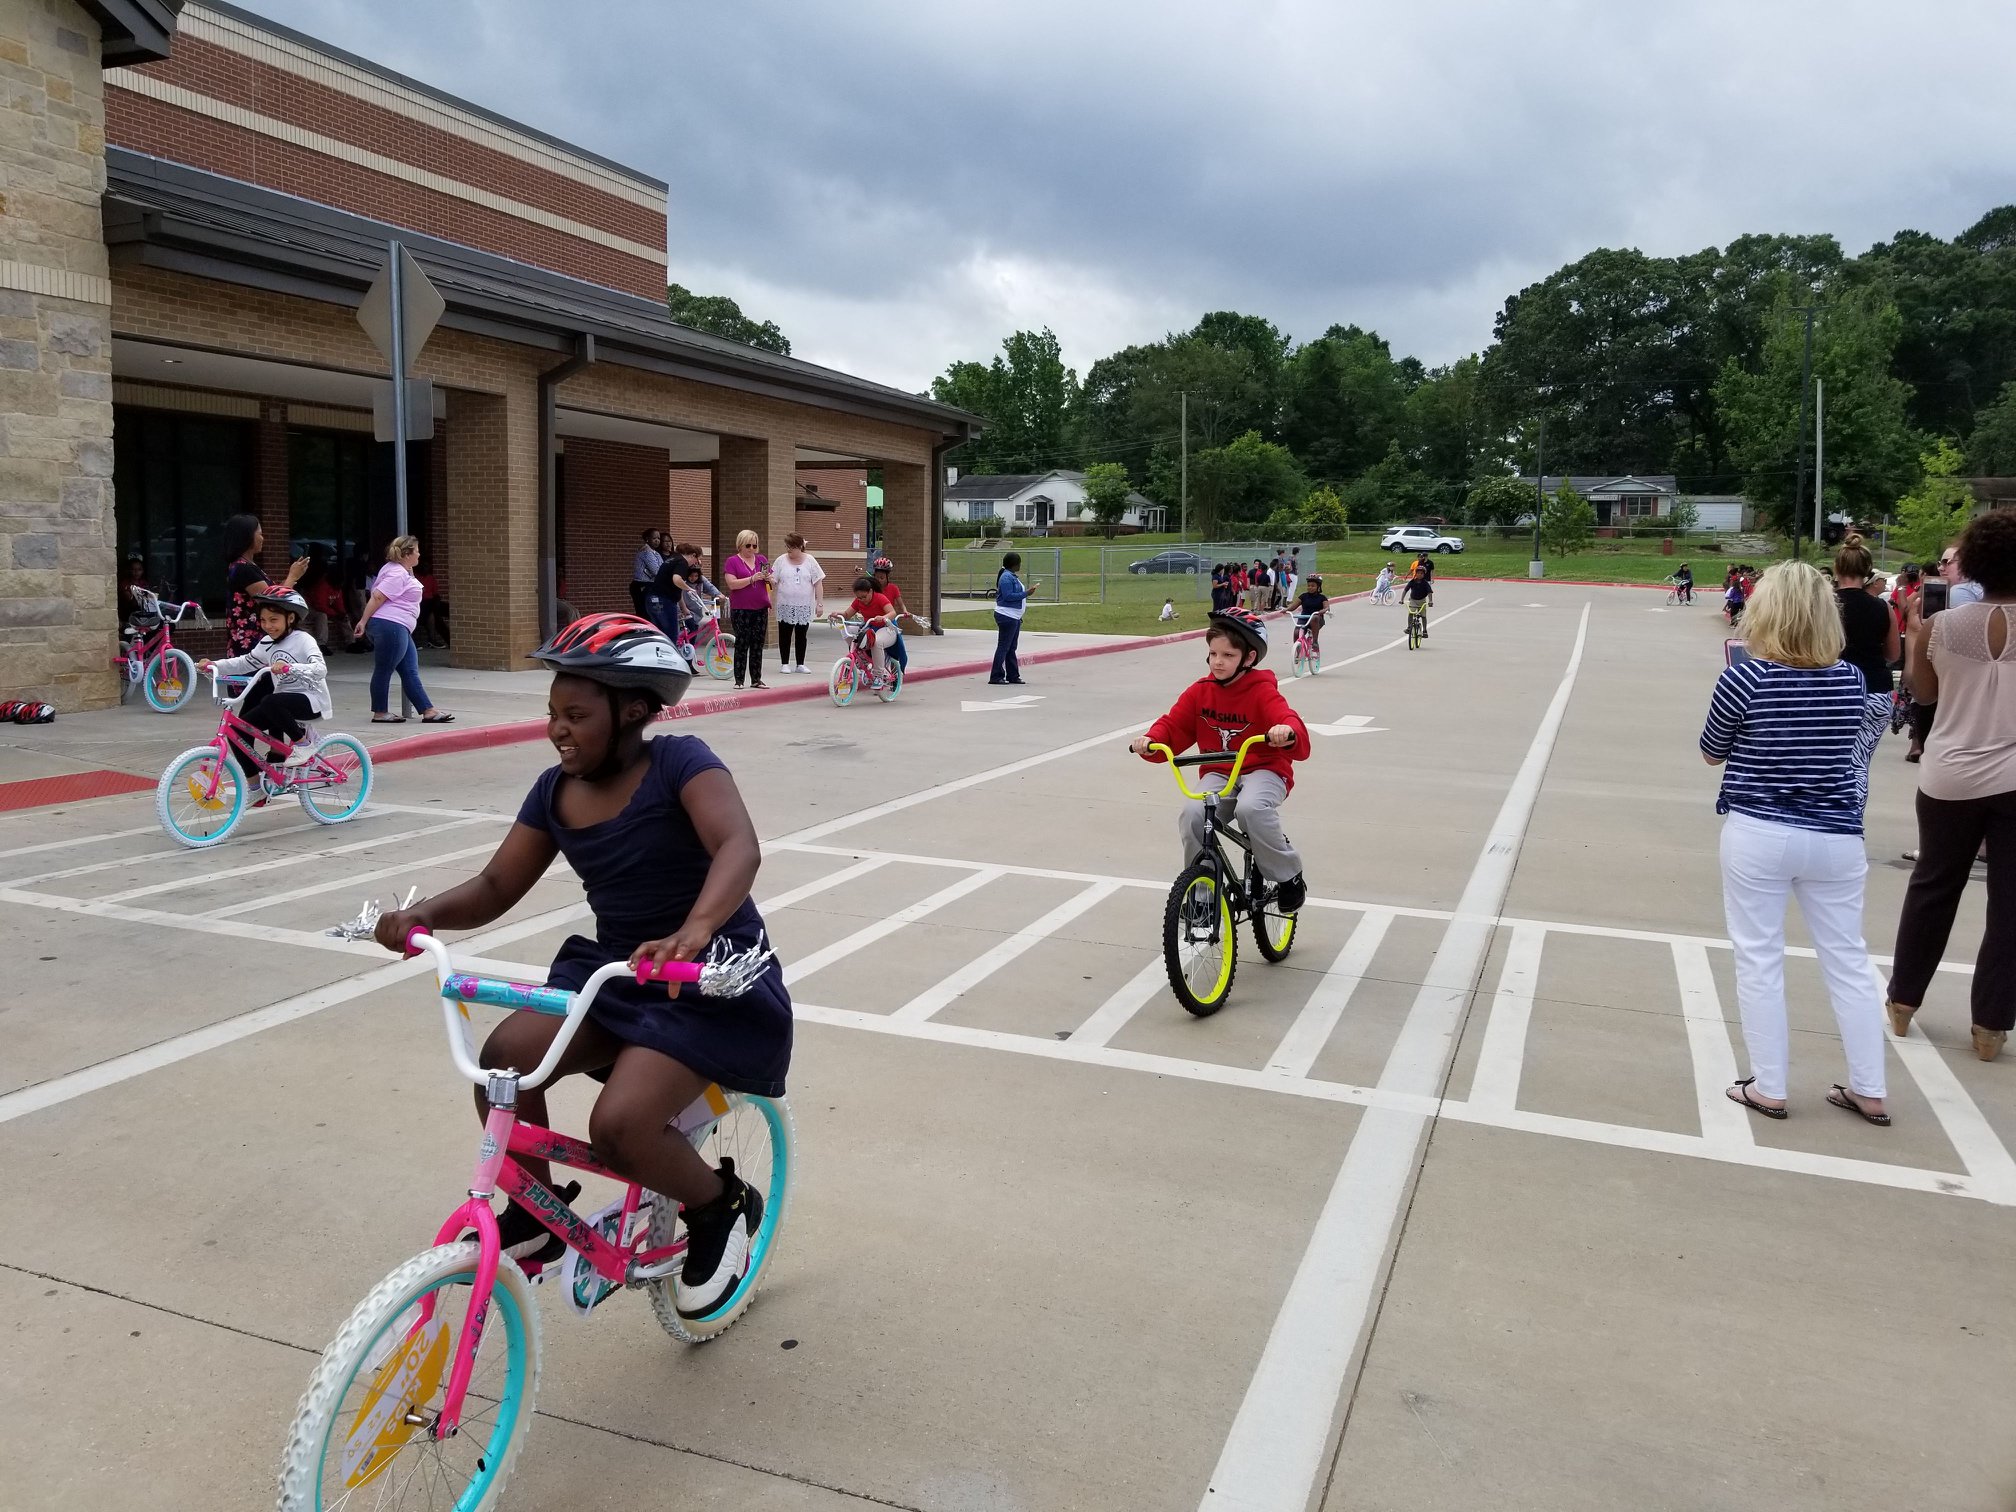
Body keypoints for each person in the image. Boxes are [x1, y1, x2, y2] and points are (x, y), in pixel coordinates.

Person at [371, 613, 789, 1316]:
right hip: (620, 976)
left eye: (576, 714)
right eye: (551, 715)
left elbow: (738, 847)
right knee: (504, 1063)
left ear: (631, 712)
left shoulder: (681, 763)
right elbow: (498, 885)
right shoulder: (554, 792)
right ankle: (537, 1215)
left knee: (619, 1127)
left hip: (706, 979)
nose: (557, 729)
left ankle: (720, 1207)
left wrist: (696, 928)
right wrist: (425, 916)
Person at [1700, 561, 1890, 1123]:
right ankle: (1870, 1087)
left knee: (1759, 957)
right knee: (1849, 960)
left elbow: (1713, 750)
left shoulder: (1746, 677)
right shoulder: (1851, 678)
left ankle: (1771, 1085)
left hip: (1760, 829)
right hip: (1834, 834)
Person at [1885, 508, 2016, 1062]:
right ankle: (1990, 1026)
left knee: (1934, 887)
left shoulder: (1941, 626)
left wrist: (1918, 637)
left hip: (1949, 773)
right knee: (2009, 906)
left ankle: (1904, 1003)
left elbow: (1927, 696)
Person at [1130, 606, 1311, 912]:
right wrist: (1151, 740)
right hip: (1219, 772)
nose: (1218, 661)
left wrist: (1286, 731)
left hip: (1264, 769)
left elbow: (1287, 719)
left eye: (1227, 655)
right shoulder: (1200, 692)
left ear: (1248, 658)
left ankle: (1288, 875)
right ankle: (1202, 896)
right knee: (1193, 815)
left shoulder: (1261, 691)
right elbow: (1174, 725)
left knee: (1251, 809)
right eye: (1213, 654)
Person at [198, 587, 331, 794]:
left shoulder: (304, 640)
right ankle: (255, 788)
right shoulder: (267, 643)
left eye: (274, 620)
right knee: (237, 731)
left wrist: (289, 667)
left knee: (270, 700)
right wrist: (215, 664)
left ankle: (304, 743)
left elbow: (320, 669)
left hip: (310, 700)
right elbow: (245, 662)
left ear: (291, 618)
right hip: (281, 704)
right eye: (263, 620)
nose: (268, 626)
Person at [356, 535, 453, 725]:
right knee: (384, 669)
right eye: (416, 550)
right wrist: (363, 621)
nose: (419, 554)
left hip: (398, 626)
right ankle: (380, 712)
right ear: (407, 553)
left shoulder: (401, 570)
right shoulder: (396, 573)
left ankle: (428, 711)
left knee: (409, 670)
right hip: (390, 625)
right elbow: (377, 597)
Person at [220, 514, 306, 656]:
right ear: (247, 537)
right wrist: (292, 576)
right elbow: (273, 602)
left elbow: (273, 592)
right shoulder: (244, 569)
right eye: (260, 534)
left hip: (253, 640)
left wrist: (294, 576)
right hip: (252, 642)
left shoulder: (245, 566)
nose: (262, 538)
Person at [1832, 536, 1899, 699]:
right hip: (1875, 689)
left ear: (1836, 568)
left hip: (1835, 688)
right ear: (1867, 570)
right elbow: (1893, 654)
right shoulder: (1883, 607)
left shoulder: (1825, 606)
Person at [722, 530, 773, 690]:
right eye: (748, 545)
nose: (751, 549)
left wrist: (769, 579)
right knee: (743, 642)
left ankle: (756, 679)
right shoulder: (732, 561)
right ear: (740, 545)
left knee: (758, 643)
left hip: (760, 607)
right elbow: (732, 584)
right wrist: (751, 578)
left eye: (754, 545)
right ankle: (739, 679)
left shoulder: (761, 560)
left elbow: (771, 583)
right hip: (741, 608)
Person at [771, 532, 825, 673]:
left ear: (800, 546)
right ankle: (785, 663)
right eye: (787, 547)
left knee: (802, 634)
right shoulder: (781, 561)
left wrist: (820, 603)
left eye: (792, 547)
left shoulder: (810, 561)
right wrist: (770, 599)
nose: (789, 550)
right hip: (785, 604)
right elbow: (774, 582)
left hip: (804, 604)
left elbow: (818, 583)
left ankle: (800, 663)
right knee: (785, 634)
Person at [870, 556, 929, 675]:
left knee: (896, 648)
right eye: (876, 577)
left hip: (888, 622)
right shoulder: (871, 589)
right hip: (874, 621)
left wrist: (905, 611)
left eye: (881, 577)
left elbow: (900, 604)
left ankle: (894, 673)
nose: (879, 580)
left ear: (887, 576)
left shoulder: (893, 588)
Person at [839, 574, 898, 685]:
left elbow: (893, 613)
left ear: (870, 591)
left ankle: (878, 676)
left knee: (877, 642)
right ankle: (862, 660)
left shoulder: (880, 598)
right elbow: (847, 614)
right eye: (859, 598)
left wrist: (884, 618)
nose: (862, 600)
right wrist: (838, 614)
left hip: (887, 629)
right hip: (869, 628)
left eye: (864, 597)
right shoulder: (858, 601)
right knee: (848, 630)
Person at [992, 551, 1033, 685]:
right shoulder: (1006, 578)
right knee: (1004, 646)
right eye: (1019, 563)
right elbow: (1008, 596)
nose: (1020, 565)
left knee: (1011, 647)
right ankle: (996, 676)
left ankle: (1013, 675)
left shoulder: (1012, 576)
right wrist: (1026, 593)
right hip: (1006, 615)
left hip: (1014, 616)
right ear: (1014, 564)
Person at [630, 528, 663, 617]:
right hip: (642, 585)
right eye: (654, 538)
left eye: (659, 538)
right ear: (647, 539)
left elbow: (663, 568)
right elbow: (656, 571)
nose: (657, 541)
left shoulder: (656, 553)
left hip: (651, 585)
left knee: (653, 612)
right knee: (645, 612)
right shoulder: (646, 552)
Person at [1293, 575, 1328, 654]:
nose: (1310, 587)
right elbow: (1293, 606)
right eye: (1308, 586)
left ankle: (1315, 642)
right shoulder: (1303, 596)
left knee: (1315, 617)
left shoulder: (1322, 598)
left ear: (1318, 587)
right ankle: (1297, 652)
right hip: (1304, 619)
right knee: (1296, 632)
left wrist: (1324, 610)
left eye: (1313, 586)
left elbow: (1326, 607)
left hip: (1317, 620)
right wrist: (1286, 610)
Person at [1401, 562, 1433, 636]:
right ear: (1416, 573)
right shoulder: (1412, 582)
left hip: (1422, 600)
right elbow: (1405, 590)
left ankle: (1424, 630)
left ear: (1424, 575)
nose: (1419, 575)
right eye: (1418, 573)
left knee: (1423, 616)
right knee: (1411, 612)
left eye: (1421, 573)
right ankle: (1409, 627)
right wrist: (1401, 599)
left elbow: (1429, 592)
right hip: (1413, 600)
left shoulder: (1425, 583)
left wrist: (1430, 601)